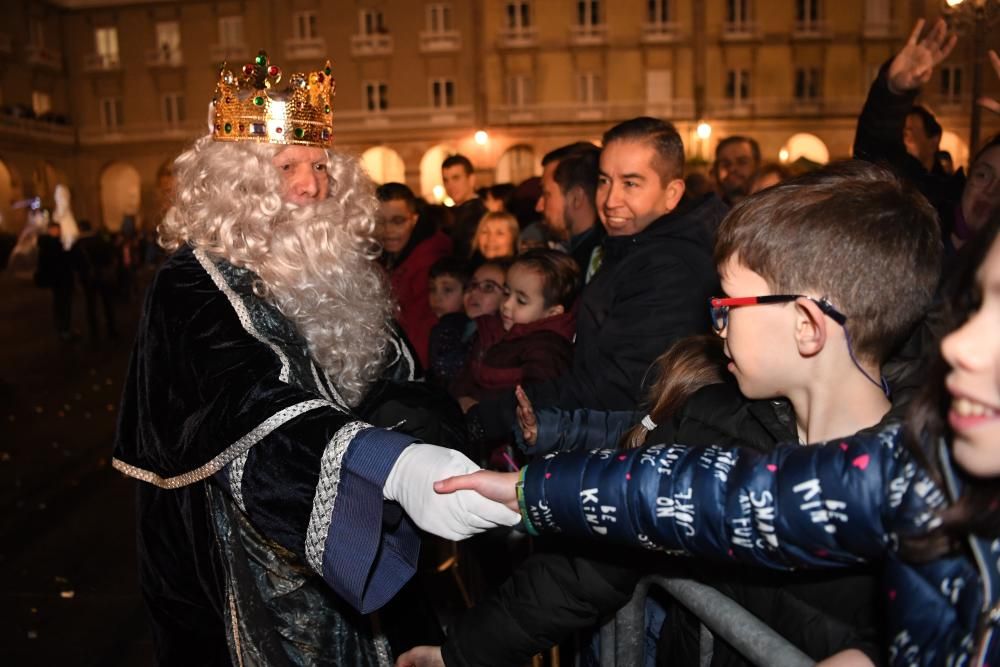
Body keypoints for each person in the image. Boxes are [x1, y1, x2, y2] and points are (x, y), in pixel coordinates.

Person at [405, 160, 943, 667]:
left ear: (807, 324)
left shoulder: (933, 499)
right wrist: (462, 653)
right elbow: (588, 565)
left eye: (728, 305)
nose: (716, 324)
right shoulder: (709, 424)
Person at [110, 53, 519, 665]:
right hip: (244, 561)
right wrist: (393, 465)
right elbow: (247, 407)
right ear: (233, 183)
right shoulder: (190, 282)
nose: (311, 185)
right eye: (287, 166)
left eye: (320, 165)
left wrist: (432, 446)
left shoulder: (337, 269)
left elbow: (398, 375)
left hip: (361, 538)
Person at [468, 116, 726, 441]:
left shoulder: (671, 266)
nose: (610, 199)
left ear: (672, 193)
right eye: (604, 181)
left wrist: (491, 416)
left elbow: (615, 387)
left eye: (630, 183)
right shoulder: (635, 244)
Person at [853, 18, 965, 245]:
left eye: (912, 131)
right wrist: (892, 92)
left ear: (934, 141)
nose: (989, 188)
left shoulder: (950, 196)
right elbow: (878, 146)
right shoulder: (907, 188)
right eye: (983, 175)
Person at [451, 249, 579, 406]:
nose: (506, 305)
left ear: (552, 313)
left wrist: (479, 412)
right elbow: (466, 377)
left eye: (521, 300)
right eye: (506, 292)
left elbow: (534, 404)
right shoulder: (491, 329)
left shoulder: (547, 350)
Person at [376, 182, 453, 368]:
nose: (388, 230)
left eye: (398, 221)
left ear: (414, 219)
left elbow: (421, 330)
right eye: (380, 221)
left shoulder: (430, 264)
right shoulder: (385, 257)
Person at [536, 142, 605, 283]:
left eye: (546, 194)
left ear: (576, 198)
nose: (539, 206)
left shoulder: (593, 265)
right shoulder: (582, 254)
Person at [427, 257, 472, 388]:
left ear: (467, 292)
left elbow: (444, 371)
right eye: (432, 289)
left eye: (447, 290)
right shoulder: (441, 324)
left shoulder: (453, 327)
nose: (437, 297)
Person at [72, 219, 118, 341]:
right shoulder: (100, 240)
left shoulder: (78, 244)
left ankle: (94, 332)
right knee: (107, 304)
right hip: (103, 275)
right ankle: (112, 329)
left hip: (88, 278)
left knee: (91, 305)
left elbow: (75, 264)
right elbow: (110, 254)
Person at [35, 220, 76, 340]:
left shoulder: (48, 245)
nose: (58, 231)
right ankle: (64, 329)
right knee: (63, 304)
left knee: (61, 304)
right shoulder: (55, 245)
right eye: (55, 229)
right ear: (51, 230)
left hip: (58, 279)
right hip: (61, 279)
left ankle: (63, 328)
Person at [443, 154, 487, 259]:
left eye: (456, 178)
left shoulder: (477, 214)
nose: (450, 186)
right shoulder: (457, 212)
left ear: (471, 179)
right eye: (446, 180)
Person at [713, 135, 761, 207]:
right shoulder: (703, 215)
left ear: (757, 165)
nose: (732, 169)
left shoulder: (773, 211)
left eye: (742, 162)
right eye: (726, 164)